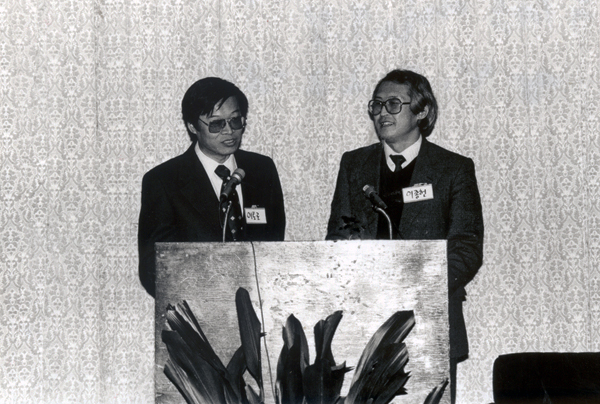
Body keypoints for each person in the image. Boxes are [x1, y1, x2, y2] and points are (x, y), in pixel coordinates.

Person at [326, 69, 483, 403]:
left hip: (430, 316)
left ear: (422, 111)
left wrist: (419, 291)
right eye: (377, 105)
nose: (382, 112)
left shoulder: (453, 168)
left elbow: (466, 248)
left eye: (394, 104)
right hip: (365, 318)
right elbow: (338, 239)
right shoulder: (354, 164)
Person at [138, 77, 286, 297]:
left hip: (259, 305)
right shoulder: (164, 181)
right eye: (217, 124)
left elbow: (274, 245)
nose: (229, 131)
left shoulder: (262, 170)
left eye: (235, 120)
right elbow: (154, 266)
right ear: (192, 126)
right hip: (197, 308)